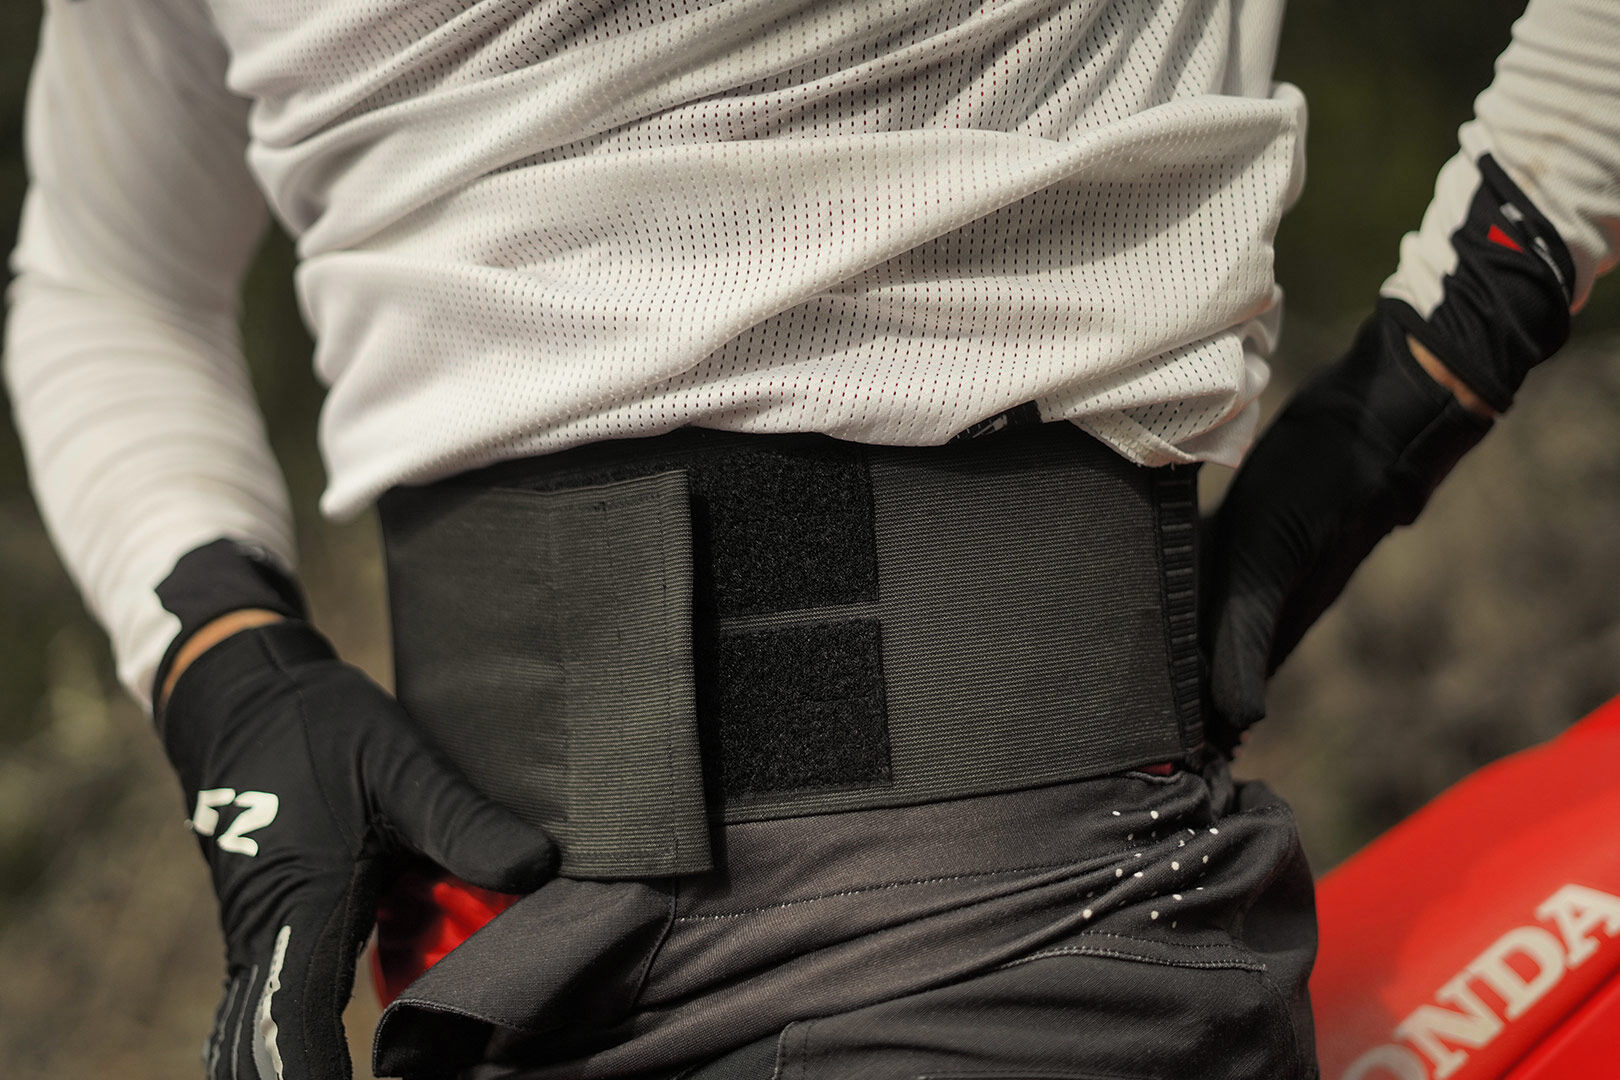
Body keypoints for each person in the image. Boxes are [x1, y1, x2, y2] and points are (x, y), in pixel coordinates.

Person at [4, 1, 1616, 1078]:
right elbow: (103, 273)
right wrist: (222, 660)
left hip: (1015, 941)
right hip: (483, 975)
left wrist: (1448, 342)